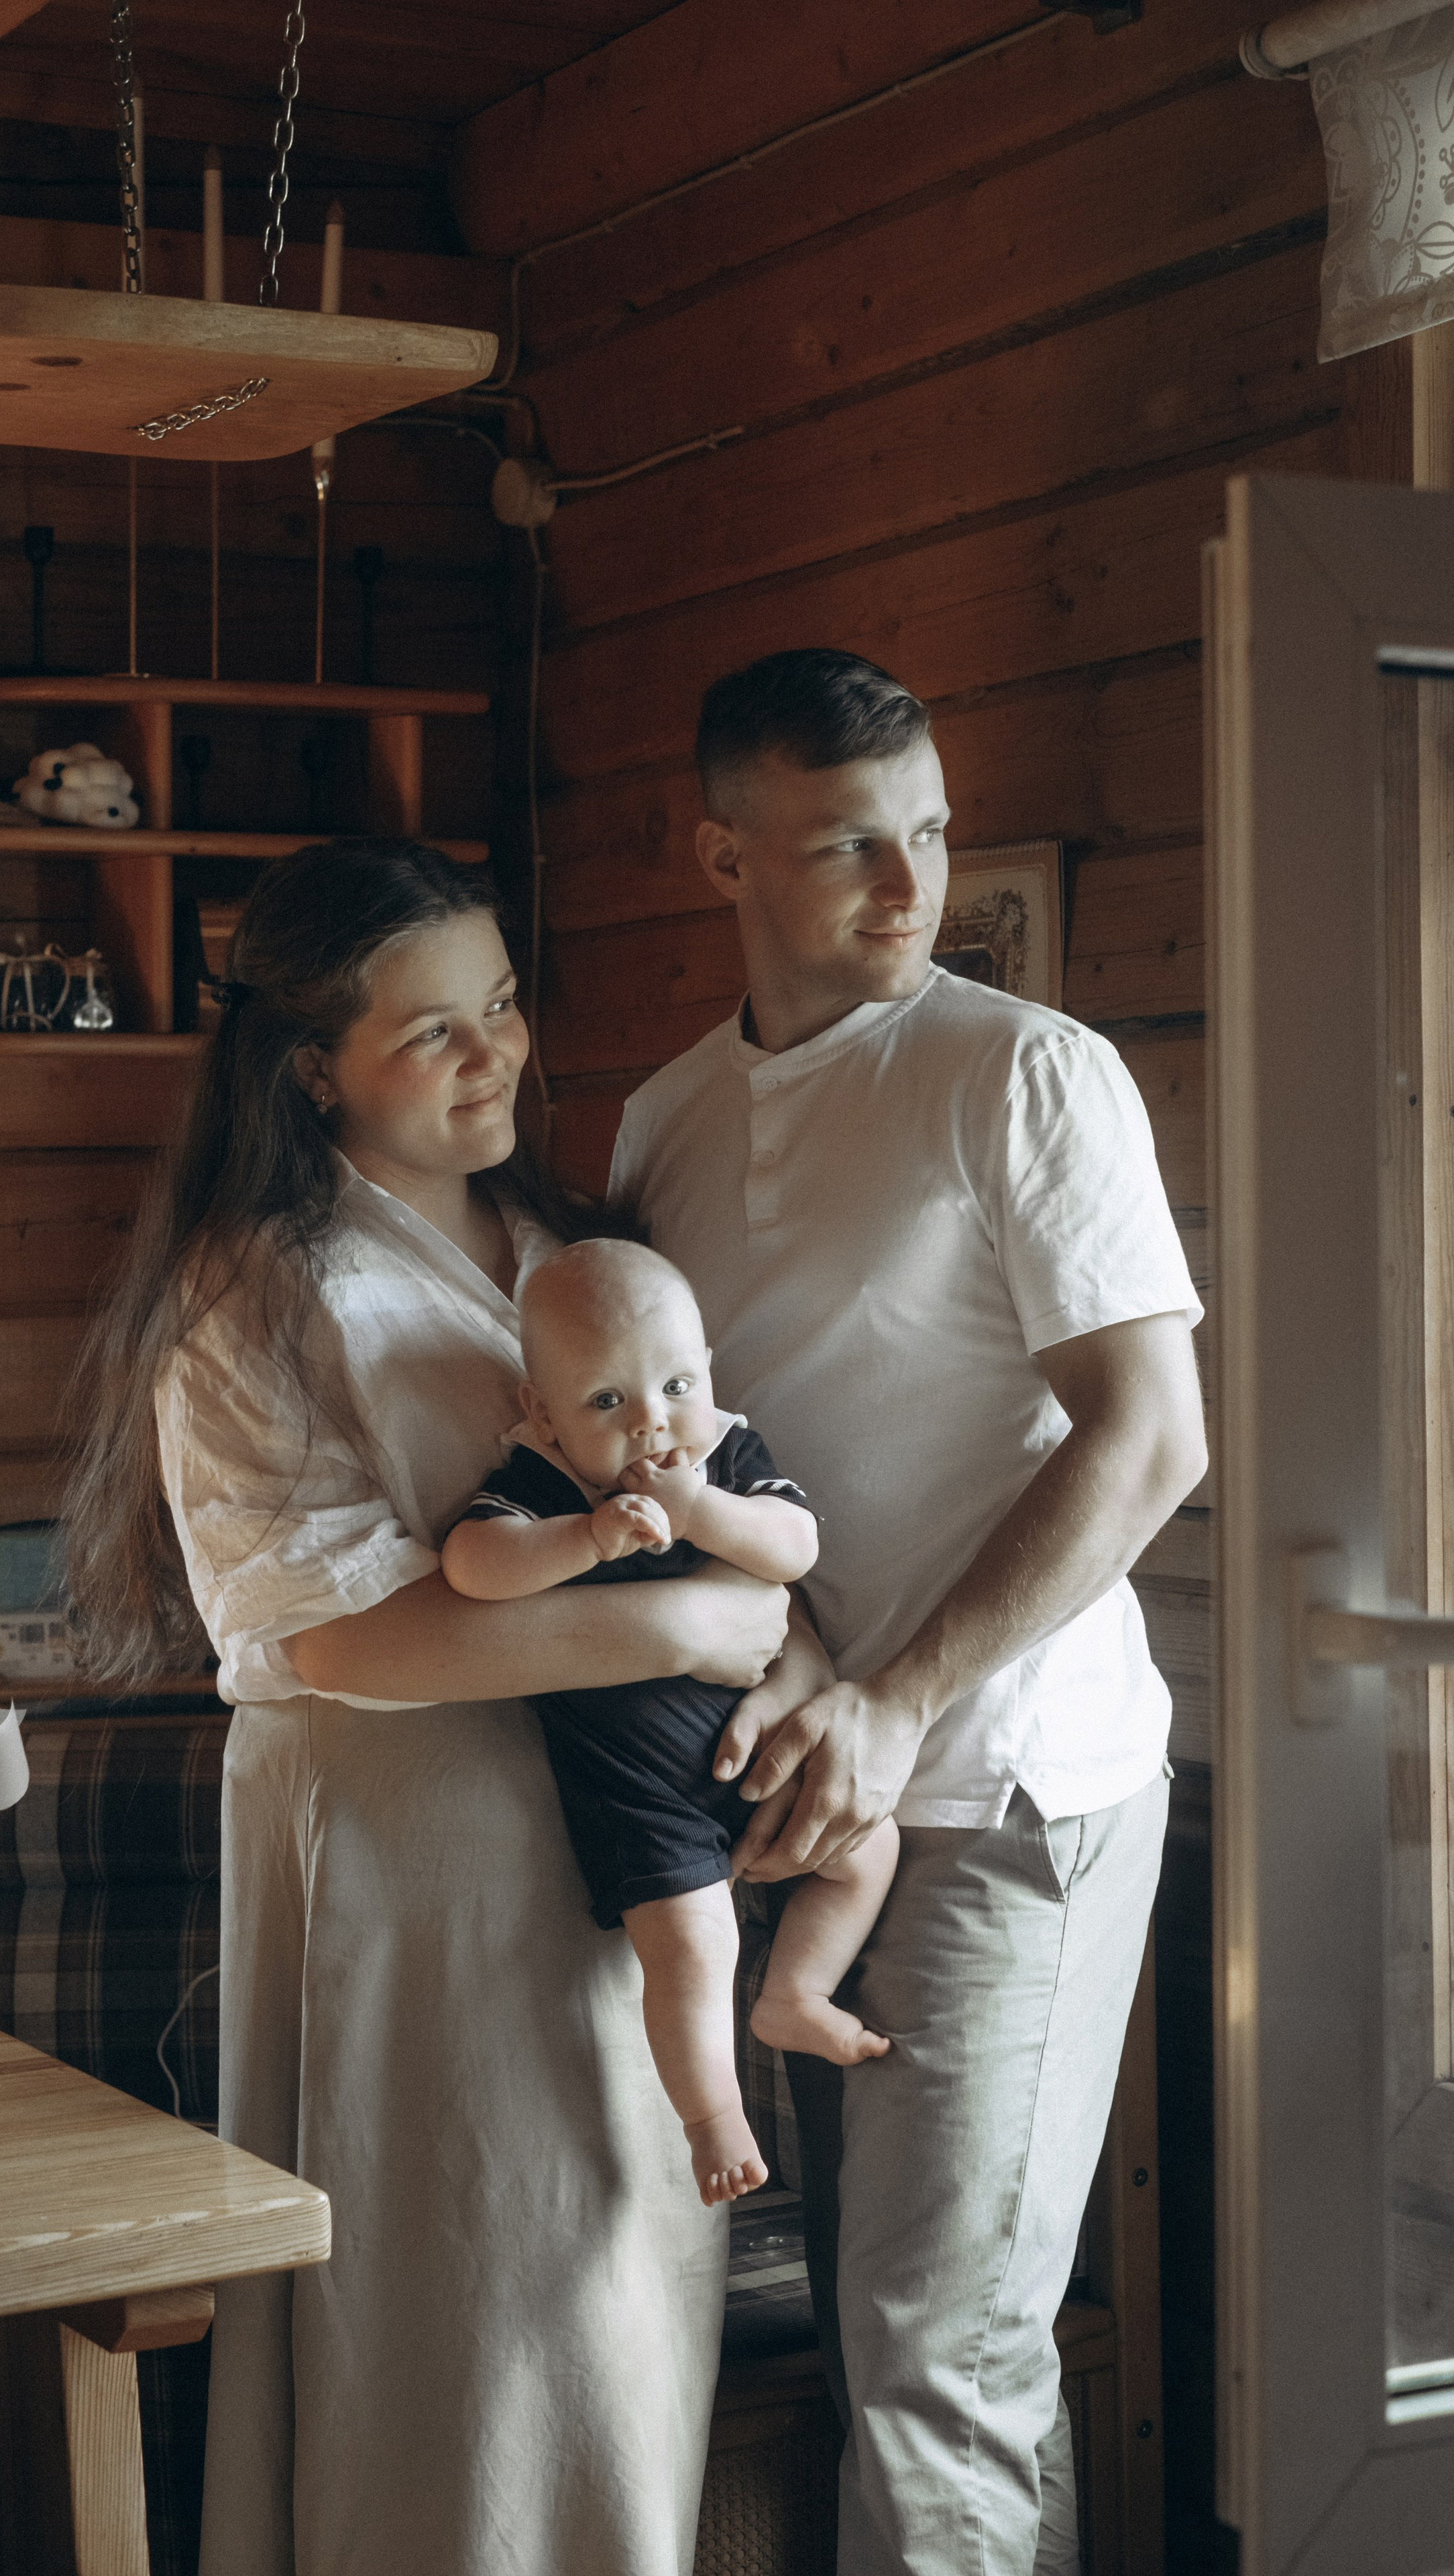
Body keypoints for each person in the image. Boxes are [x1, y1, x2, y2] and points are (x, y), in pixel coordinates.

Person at [61, 840, 801, 2576]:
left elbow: (723, 1485)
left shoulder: (571, 1249)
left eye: (507, 1008)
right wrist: (700, 1622)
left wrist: (745, 1615)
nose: (499, 1058)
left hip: (619, 1846)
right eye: (436, 1034)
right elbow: (348, 1643)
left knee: (616, 2286)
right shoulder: (259, 1283)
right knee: (448, 2312)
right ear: (314, 1065)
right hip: (407, 1851)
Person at [609, 650, 1208, 2576]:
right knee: (928, 2364)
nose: (911, 882)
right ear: (722, 854)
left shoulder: (1027, 1071)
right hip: (800, 1804)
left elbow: (1150, 1444)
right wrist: (803, 1685)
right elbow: (679, 1467)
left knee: (941, 2355)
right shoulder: (660, 1123)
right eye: (854, 843)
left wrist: (896, 1695)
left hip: (1013, 1792)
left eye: (931, 833)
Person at [442, 1236, 896, 2208]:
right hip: (642, 1797)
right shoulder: (547, 1481)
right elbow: (471, 1566)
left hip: (758, 1751)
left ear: (709, 1371)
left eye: (676, 1384)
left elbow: (796, 1543)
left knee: (869, 1845)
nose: (652, 1424)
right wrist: (586, 1536)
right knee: (693, 1946)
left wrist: (700, 1511)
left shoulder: (725, 1453)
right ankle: (712, 2118)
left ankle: (795, 1994)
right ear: (544, 1413)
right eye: (608, 1402)